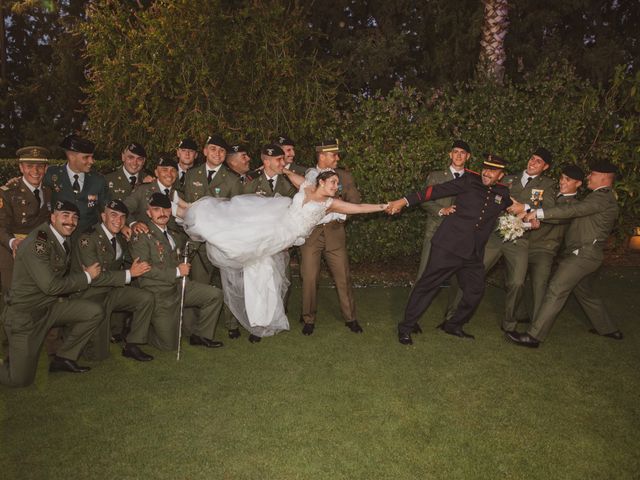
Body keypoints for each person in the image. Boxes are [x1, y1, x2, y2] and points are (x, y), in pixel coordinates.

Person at [178, 168, 388, 340]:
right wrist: (284, 168)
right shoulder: (306, 187)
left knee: (242, 246)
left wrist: (384, 206)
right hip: (275, 217)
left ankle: (262, 318)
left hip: (284, 234)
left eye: (337, 183)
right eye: (333, 182)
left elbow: (359, 207)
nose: (336, 186)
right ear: (321, 182)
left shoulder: (330, 204)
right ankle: (192, 212)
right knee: (240, 222)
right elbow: (293, 175)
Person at [387, 154, 513, 345]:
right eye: (485, 168)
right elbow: (434, 192)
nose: (486, 172)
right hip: (449, 246)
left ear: (501, 175)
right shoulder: (469, 181)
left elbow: (517, 208)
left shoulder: (503, 193)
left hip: (473, 254)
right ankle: (406, 327)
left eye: (492, 170)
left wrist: (530, 216)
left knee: (475, 291)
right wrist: (404, 201)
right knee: (428, 286)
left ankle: (453, 324)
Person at [505, 160, 622, 348]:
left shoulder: (601, 198)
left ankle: (534, 336)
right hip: (586, 255)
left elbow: (573, 209)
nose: (588, 177)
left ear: (603, 177)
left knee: (555, 289)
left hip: (583, 255)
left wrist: (537, 213)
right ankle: (608, 329)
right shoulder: (599, 197)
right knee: (585, 293)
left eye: (591, 174)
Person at [0, 200, 103, 387]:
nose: (70, 222)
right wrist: (87, 276)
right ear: (53, 217)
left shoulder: (62, 237)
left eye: (74, 218)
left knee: (93, 311)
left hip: (49, 308)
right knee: (20, 380)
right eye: (65, 216)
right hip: (26, 316)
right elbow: (51, 287)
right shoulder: (38, 243)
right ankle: (12, 363)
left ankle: (64, 358)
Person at [129, 193, 225, 351]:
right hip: (159, 293)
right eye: (156, 209)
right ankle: (146, 327)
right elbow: (143, 269)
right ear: (148, 213)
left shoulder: (173, 234)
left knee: (215, 295)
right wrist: (176, 272)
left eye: (166, 209)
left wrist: (204, 230)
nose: (162, 213)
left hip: (180, 287)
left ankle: (201, 335)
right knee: (169, 345)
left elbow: (187, 250)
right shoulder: (141, 235)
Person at [71, 199, 155, 362]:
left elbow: (129, 259)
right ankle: (76, 336)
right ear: (103, 216)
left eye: (123, 217)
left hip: (111, 290)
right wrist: (129, 274)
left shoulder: (120, 237)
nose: (118, 220)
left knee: (146, 298)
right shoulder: (88, 238)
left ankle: (132, 345)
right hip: (90, 293)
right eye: (113, 215)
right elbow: (93, 279)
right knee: (97, 355)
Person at [299, 139, 363, 336]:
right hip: (311, 236)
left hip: (335, 233)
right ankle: (308, 318)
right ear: (322, 156)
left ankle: (350, 318)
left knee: (343, 277)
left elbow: (356, 201)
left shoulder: (344, 176)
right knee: (309, 278)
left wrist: (342, 213)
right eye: (333, 154)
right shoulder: (307, 176)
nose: (337, 158)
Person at [181, 134, 243, 339]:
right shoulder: (191, 175)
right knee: (200, 284)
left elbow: (236, 214)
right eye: (213, 149)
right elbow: (187, 207)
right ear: (205, 151)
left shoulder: (232, 179)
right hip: (198, 242)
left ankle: (232, 323)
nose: (217, 154)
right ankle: (198, 328)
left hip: (223, 241)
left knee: (229, 282)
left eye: (222, 151)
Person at [513, 164, 584, 320]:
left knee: (539, 288)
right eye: (561, 178)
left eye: (568, 179)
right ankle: (520, 314)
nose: (562, 182)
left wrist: (533, 214)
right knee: (514, 281)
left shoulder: (574, 205)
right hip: (525, 244)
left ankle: (535, 328)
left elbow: (557, 217)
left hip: (544, 250)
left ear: (578, 183)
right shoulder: (549, 193)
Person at [0, 146, 53, 352]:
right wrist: (13, 242)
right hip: (10, 252)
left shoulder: (48, 192)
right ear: (21, 167)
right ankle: (11, 343)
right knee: (13, 297)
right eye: (30, 166)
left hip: (37, 252)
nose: (35, 171)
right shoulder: (7, 193)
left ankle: (35, 337)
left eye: (40, 166)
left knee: (38, 294)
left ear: (46, 169)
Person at [415, 140, 471, 280]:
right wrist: (441, 210)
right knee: (425, 272)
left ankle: (455, 303)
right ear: (450, 154)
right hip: (436, 228)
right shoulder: (436, 176)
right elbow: (424, 200)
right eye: (455, 152)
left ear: (468, 157)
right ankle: (414, 301)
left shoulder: (472, 179)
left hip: (460, 234)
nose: (458, 156)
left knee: (459, 276)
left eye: (462, 153)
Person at [44, 134, 109, 237]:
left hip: (88, 239)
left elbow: (107, 208)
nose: (91, 161)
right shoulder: (51, 174)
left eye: (92, 157)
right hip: (58, 238)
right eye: (86, 157)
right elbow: (34, 186)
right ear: (71, 156)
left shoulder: (98, 180)